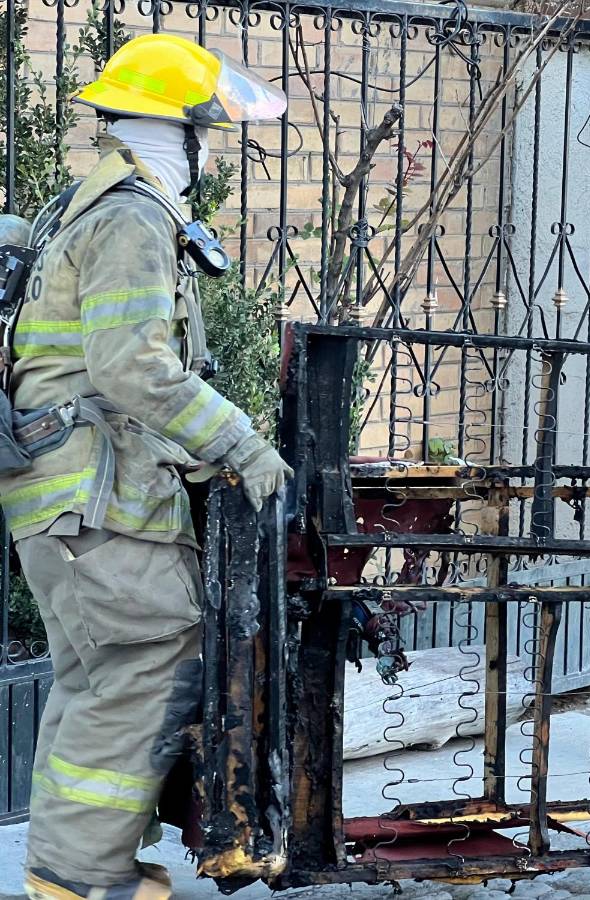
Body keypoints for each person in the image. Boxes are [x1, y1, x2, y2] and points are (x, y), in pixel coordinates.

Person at [3, 34, 292, 900]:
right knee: (147, 663)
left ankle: (67, 869)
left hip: (68, 498)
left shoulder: (87, 207)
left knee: (97, 678)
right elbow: (135, 368)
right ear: (183, 133)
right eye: (210, 135)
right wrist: (239, 443)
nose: (213, 153)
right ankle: (84, 881)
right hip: (100, 500)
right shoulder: (131, 217)